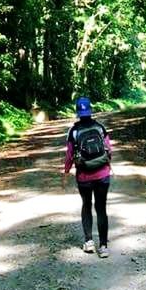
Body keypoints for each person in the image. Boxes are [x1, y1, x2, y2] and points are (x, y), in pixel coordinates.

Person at [62, 96, 112, 258]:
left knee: (86, 206)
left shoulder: (74, 131)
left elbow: (69, 155)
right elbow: (109, 150)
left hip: (84, 177)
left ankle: (89, 242)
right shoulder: (99, 127)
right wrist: (104, 163)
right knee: (101, 208)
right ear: (90, 110)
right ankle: (103, 246)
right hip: (102, 175)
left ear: (77, 112)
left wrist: (66, 172)